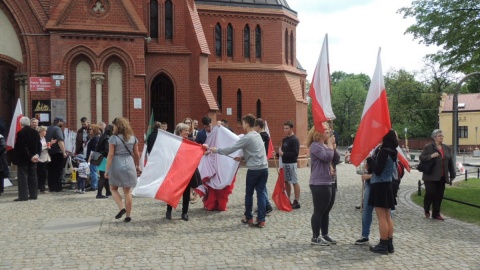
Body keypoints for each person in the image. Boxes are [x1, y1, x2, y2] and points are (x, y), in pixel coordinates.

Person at [211, 114, 269, 228]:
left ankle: (249, 217)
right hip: (264, 169)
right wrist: (242, 158)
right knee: (261, 194)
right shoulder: (257, 135)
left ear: (247, 124)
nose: (242, 126)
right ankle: (261, 220)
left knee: (249, 194)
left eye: (242, 123)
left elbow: (232, 148)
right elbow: (256, 151)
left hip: (254, 170)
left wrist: (217, 150)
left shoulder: (247, 137)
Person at [366, 130, 398, 254]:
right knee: (388, 215)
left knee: (382, 217)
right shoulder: (392, 151)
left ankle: (383, 244)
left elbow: (378, 170)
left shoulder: (384, 152)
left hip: (380, 186)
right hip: (388, 185)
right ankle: (389, 243)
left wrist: (369, 160)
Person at [165, 123, 203, 221]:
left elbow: (197, 150)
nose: (187, 132)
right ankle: (169, 211)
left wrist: (203, 149)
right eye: (185, 130)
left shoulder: (191, 141)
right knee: (172, 191)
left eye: (187, 130)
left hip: (187, 170)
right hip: (176, 170)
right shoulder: (173, 142)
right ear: (179, 132)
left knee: (186, 192)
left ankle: (184, 212)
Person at [307, 124, 337, 246]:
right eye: (325, 130)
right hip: (319, 182)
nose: (328, 132)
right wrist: (330, 145)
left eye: (329, 130)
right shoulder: (315, 146)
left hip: (329, 181)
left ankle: (324, 234)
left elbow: (334, 158)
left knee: (326, 210)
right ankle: (315, 237)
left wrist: (332, 146)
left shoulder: (324, 145)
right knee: (319, 210)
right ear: (318, 133)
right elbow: (327, 157)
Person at [105, 117, 140, 222]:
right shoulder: (133, 138)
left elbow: (110, 155)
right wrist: (137, 165)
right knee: (127, 190)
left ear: (117, 126)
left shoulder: (113, 138)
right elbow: (137, 154)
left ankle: (121, 207)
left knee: (113, 188)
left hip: (117, 163)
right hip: (129, 163)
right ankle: (128, 215)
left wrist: (106, 170)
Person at [419, 129, 456, 221]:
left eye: (442, 136)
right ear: (434, 137)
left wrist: (452, 174)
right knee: (431, 193)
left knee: (439, 195)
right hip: (430, 176)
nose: (441, 137)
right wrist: (431, 156)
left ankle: (436, 214)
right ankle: (426, 208)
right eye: (440, 136)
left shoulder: (447, 148)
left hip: (442, 176)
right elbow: (421, 157)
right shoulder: (429, 147)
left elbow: (450, 161)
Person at [355, 145, 381, 246]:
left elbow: (384, 172)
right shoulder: (376, 148)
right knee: (366, 209)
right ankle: (364, 235)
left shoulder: (387, 150)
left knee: (384, 213)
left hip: (380, 185)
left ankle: (385, 238)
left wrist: (369, 175)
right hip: (370, 183)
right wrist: (369, 166)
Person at [13, 117, 40, 201]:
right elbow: (39, 145)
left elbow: (22, 147)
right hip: (34, 158)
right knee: (33, 176)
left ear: (21, 124)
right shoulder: (35, 132)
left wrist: (30, 156)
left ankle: (23, 196)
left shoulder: (21, 133)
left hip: (23, 159)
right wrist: (37, 155)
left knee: (23, 177)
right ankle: (33, 194)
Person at [276, 120, 300, 209]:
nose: (285, 130)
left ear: (291, 128)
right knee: (286, 182)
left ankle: (296, 201)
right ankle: (287, 199)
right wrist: (278, 153)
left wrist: (284, 154)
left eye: (286, 128)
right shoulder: (285, 139)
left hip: (292, 164)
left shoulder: (294, 140)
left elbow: (295, 153)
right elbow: (283, 151)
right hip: (285, 164)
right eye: (284, 128)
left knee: (294, 181)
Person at [254, 118, 273, 213]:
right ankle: (265, 204)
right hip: (264, 161)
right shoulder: (266, 135)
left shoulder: (260, 136)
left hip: (259, 163)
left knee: (260, 187)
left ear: (258, 126)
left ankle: (267, 205)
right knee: (262, 186)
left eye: (255, 126)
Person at [46, 116, 67, 192]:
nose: (63, 123)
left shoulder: (48, 128)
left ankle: (51, 187)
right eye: (62, 122)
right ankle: (58, 187)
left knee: (50, 171)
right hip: (57, 152)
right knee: (58, 170)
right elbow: (60, 141)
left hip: (49, 152)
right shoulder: (57, 129)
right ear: (59, 122)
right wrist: (64, 152)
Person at [96, 124, 113, 198]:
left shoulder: (103, 136)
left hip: (101, 157)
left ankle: (108, 192)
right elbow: (107, 150)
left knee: (105, 177)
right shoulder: (107, 138)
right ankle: (99, 194)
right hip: (104, 158)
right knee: (103, 177)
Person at [37, 126, 52, 193]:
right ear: (41, 132)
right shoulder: (38, 139)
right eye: (44, 131)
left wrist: (49, 145)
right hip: (40, 158)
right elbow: (38, 148)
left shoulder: (44, 138)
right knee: (40, 173)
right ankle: (40, 187)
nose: (46, 132)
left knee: (44, 174)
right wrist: (46, 147)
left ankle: (42, 187)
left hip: (45, 157)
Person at [86, 124, 101, 191]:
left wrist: (90, 158)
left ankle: (94, 185)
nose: (89, 131)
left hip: (95, 155)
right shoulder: (95, 137)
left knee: (93, 171)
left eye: (91, 129)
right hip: (95, 155)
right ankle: (95, 185)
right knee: (94, 171)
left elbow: (95, 149)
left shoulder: (96, 138)